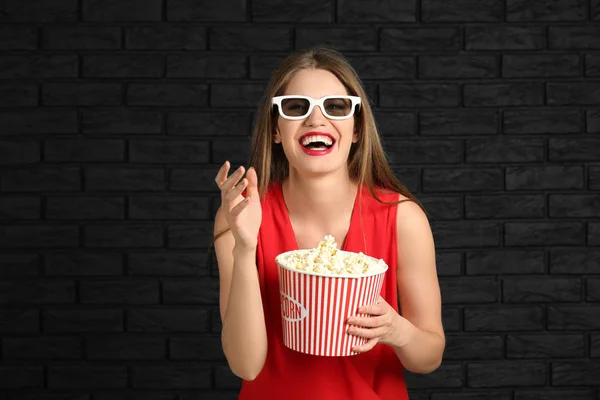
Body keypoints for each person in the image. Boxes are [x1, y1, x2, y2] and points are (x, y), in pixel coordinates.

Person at [212, 47, 445, 400]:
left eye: (335, 106)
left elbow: (429, 357)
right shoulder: (243, 215)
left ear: (356, 130)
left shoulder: (402, 217)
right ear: (276, 130)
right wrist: (245, 249)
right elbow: (246, 365)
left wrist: (396, 330)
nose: (315, 120)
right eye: (296, 107)